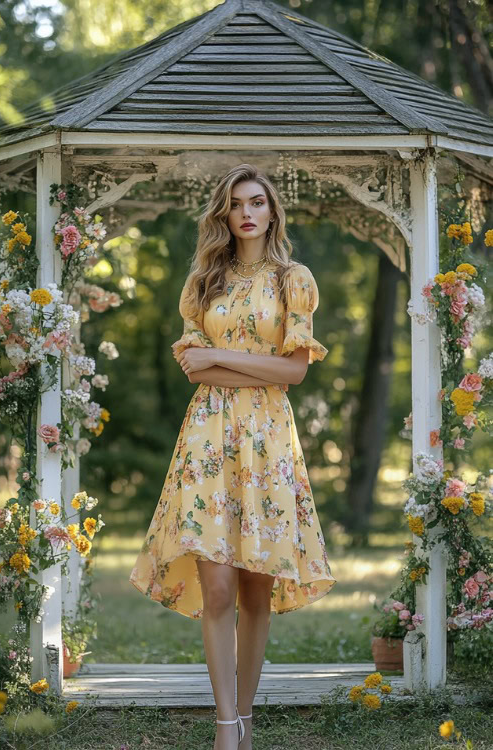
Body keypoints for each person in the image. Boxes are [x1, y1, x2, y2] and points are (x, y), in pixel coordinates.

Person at [129, 163, 337, 750]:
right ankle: (225, 725)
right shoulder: (203, 285)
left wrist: (224, 358)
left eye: (257, 202)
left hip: (267, 441)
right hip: (208, 439)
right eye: (236, 204)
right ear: (224, 214)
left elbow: (295, 370)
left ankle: (245, 716)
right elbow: (195, 368)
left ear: (273, 211)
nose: (247, 212)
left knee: (254, 589)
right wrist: (252, 364)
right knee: (217, 587)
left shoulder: (293, 280)